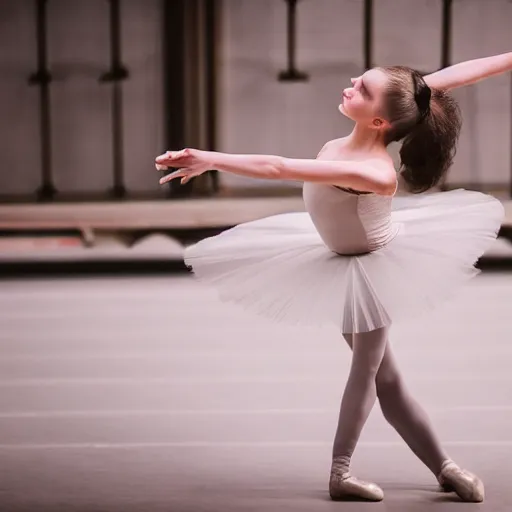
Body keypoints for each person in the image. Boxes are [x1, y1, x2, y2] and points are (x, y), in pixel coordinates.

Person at [155, 52, 511, 502]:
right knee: (387, 380)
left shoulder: (372, 172)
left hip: (374, 270)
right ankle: (445, 467)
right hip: (340, 262)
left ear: (381, 122)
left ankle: (342, 472)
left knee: (368, 372)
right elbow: (449, 79)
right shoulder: (403, 103)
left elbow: (279, 168)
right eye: (359, 80)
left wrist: (212, 159)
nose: (351, 86)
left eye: (363, 90)